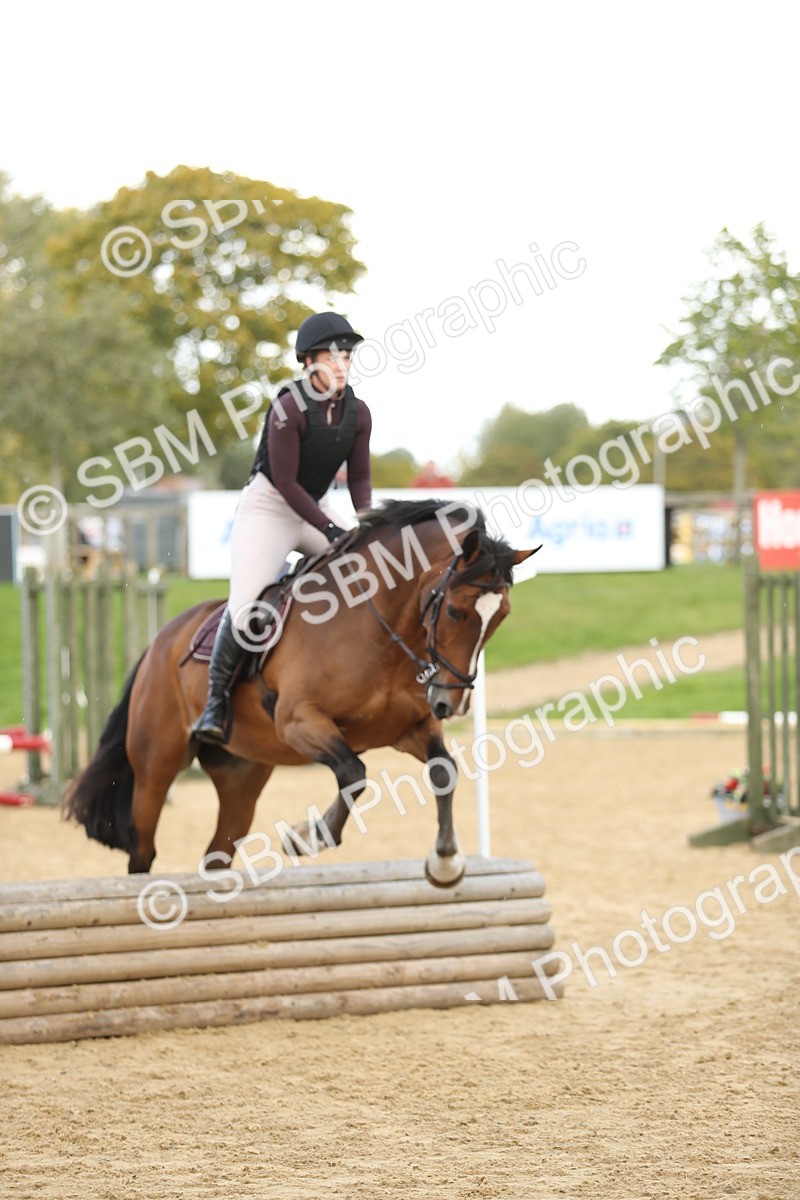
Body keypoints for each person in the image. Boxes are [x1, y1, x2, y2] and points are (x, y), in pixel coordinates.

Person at [192, 311, 372, 744]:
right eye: (332, 356)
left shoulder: (359, 413)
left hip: (316, 506)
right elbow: (288, 484)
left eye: (347, 357)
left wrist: (369, 528)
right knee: (246, 608)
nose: (342, 365)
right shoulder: (288, 408)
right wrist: (331, 531)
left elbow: (361, 480)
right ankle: (215, 702)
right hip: (269, 510)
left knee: (372, 571)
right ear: (308, 362)